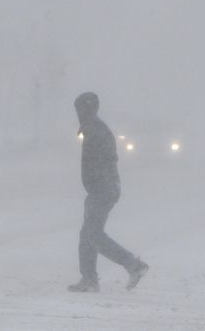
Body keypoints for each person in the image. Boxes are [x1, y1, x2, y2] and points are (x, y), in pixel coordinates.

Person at [68, 92, 148, 292]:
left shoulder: (95, 130)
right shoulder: (93, 128)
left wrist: (98, 185)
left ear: (86, 109)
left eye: (79, 109)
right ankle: (89, 279)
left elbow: (103, 161)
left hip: (102, 188)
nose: (77, 113)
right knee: (87, 233)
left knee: (93, 234)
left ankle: (134, 266)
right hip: (102, 187)